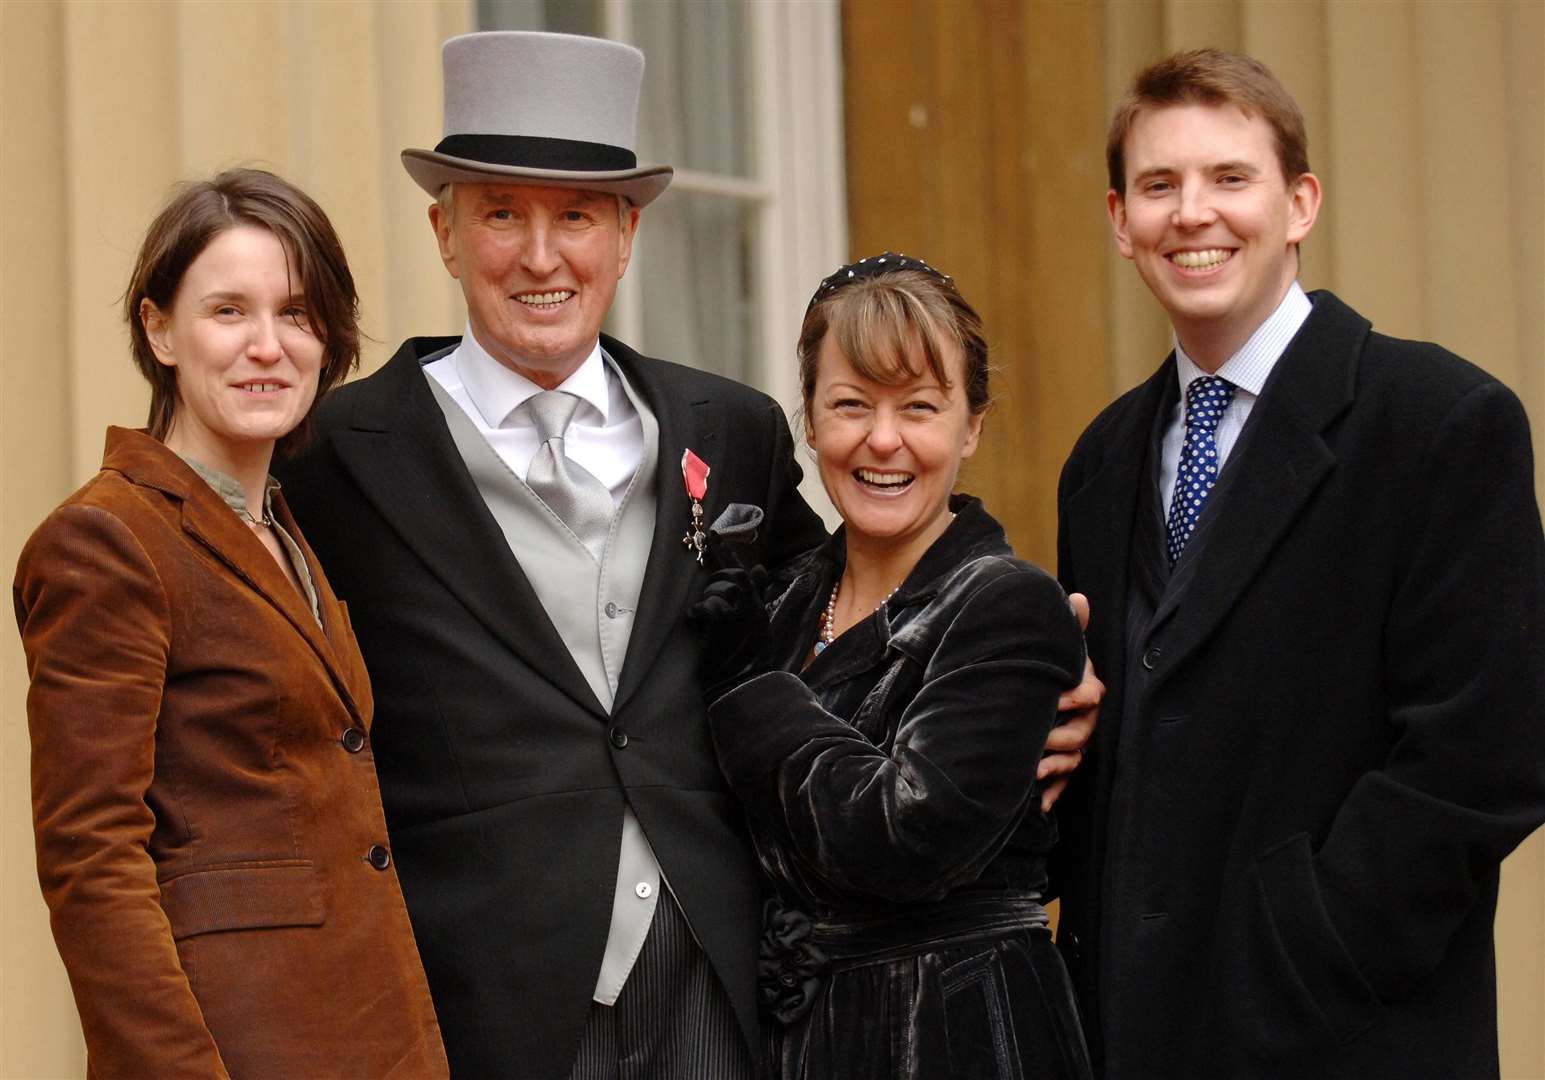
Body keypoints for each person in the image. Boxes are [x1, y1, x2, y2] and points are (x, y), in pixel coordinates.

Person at [280, 31, 1099, 1078]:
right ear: (445, 234)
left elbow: (862, 610)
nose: (541, 257)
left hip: (722, 987)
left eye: (575, 215)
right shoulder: (339, 454)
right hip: (487, 997)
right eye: (501, 214)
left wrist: (1051, 674)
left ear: (626, 235)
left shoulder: (730, 429)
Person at [1052, 48, 1545, 1079]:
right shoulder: (1100, 462)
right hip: (1129, 1038)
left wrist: (1302, 949)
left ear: (1300, 203)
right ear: (1118, 219)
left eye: (1231, 178)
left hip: (1347, 1035)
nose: (1194, 213)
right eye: (1159, 185)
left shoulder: (1442, 422)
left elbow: (1485, 758)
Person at [13, 169, 449, 1078]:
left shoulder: (283, 530)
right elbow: (93, 863)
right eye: (227, 312)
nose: (268, 346)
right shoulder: (106, 538)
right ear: (158, 328)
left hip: (369, 1031)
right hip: (238, 1046)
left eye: (296, 313)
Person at [695, 254, 1094, 1080]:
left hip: (958, 1033)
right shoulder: (778, 604)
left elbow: (903, 839)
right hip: (797, 1041)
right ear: (809, 419)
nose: (883, 439)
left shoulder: (1006, 604)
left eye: (919, 407)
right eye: (850, 405)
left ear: (970, 425)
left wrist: (748, 695)